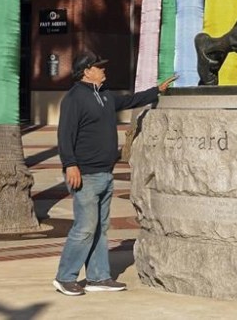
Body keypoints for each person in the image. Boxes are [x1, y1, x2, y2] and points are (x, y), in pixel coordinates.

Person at [53, 51, 176, 296]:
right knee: (86, 227)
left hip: (104, 173)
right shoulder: (74, 99)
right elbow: (65, 134)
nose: (104, 70)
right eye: (99, 67)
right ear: (87, 71)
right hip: (85, 175)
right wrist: (70, 164)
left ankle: (98, 277)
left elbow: (130, 101)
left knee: (100, 228)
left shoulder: (106, 96)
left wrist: (157, 90)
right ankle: (65, 277)